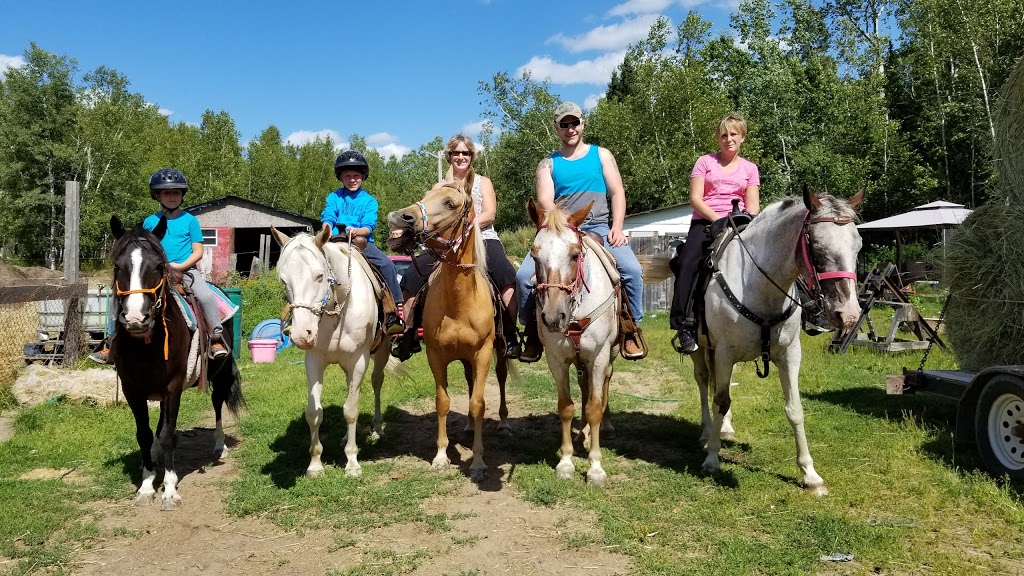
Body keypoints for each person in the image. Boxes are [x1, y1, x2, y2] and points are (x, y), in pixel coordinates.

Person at [515, 101, 646, 362]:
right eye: (564, 124)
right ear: (557, 129)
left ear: (582, 124)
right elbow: (545, 202)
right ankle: (532, 332)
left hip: (599, 227)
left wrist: (617, 227)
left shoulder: (602, 155)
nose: (570, 128)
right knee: (522, 278)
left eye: (574, 122)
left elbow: (617, 191)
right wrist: (565, 226)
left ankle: (630, 330)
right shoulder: (548, 164)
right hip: (560, 230)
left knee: (631, 271)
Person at [392, 135, 521, 360]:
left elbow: (490, 214)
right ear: (449, 156)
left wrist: (466, 227)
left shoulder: (483, 182)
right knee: (413, 276)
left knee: (506, 275)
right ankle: (409, 334)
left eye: (466, 153)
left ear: (472, 157)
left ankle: (510, 335)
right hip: (444, 243)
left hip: (482, 238)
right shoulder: (439, 186)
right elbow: (425, 215)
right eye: (456, 153)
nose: (461, 157)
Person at [91, 168, 230, 363]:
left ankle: (216, 338)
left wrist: (180, 266)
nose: (172, 196)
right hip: (155, 271)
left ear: (182, 196)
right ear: (158, 196)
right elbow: (143, 251)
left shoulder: (190, 221)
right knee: (117, 299)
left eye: (176, 192)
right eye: (167, 192)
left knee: (206, 296)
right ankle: (110, 342)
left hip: (186, 271)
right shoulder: (150, 222)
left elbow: (198, 252)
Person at [669, 112, 761, 354]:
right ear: (718, 139)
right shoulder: (705, 162)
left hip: (740, 223)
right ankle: (684, 326)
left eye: (733, 134)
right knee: (688, 262)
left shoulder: (750, 169)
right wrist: (719, 220)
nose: (728, 139)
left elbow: (753, 205)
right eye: (723, 135)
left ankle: (805, 311)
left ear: (743, 137)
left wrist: (745, 220)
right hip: (706, 222)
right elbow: (695, 199)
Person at [321, 150, 405, 335]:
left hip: (361, 243)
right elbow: (328, 216)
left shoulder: (369, 201)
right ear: (341, 178)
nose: (352, 179)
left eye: (356, 176)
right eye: (348, 176)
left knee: (387, 264)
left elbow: (368, 227)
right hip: (334, 241)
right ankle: (295, 314)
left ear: (363, 177)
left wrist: (356, 231)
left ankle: (393, 312)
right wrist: (326, 229)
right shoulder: (334, 197)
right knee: (308, 263)